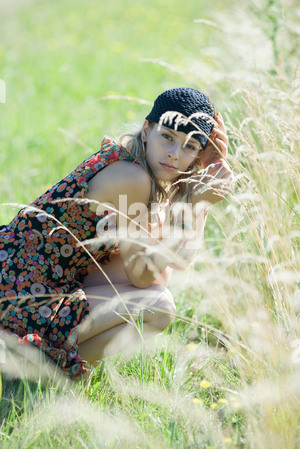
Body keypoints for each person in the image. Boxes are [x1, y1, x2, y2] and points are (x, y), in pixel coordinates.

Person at [0, 87, 234, 377]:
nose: (174, 155)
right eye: (167, 137)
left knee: (156, 277)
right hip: (15, 292)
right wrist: (197, 204)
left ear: (198, 155)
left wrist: (200, 188)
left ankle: (41, 363)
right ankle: (36, 369)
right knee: (158, 306)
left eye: (189, 146)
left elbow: (176, 261)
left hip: (31, 280)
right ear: (147, 130)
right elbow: (142, 273)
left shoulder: (137, 166)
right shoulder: (131, 177)